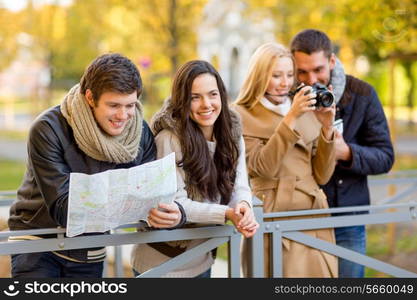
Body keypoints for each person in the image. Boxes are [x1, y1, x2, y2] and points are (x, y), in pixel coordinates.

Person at [8, 53, 159, 278]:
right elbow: (64, 208)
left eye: (130, 105)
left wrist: (163, 212)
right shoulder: (48, 129)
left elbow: (149, 196)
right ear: (90, 97)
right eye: (114, 105)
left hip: (90, 246)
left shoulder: (140, 133)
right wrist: (127, 197)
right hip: (38, 242)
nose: (123, 115)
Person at [131, 60, 259, 278]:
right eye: (195, 97)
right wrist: (227, 213)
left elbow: (240, 184)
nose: (206, 104)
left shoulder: (232, 132)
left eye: (212, 94)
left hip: (202, 257)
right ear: (182, 100)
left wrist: (243, 207)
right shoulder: (168, 138)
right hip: (162, 265)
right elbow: (176, 204)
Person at [290, 29, 394, 277]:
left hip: (347, 217)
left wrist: (347, 153)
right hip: (301, 218)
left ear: (332, 61)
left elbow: (386, 156)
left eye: (318, 70)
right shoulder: (286, 96)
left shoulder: (363, 94)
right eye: (301, 71)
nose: (310, 78)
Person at [234, 42, 338, 277]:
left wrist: (327, 128)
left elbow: (322, 175)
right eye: (276, 75)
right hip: (272, 214)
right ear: (260, 77)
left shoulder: (307, 109)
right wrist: (291, 117)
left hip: (313, 214)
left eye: (290, 75)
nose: (285, 83)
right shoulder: (240, 114)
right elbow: (263, 167)